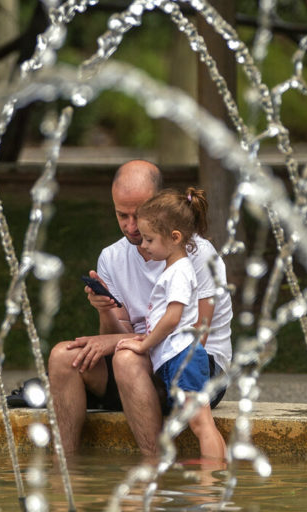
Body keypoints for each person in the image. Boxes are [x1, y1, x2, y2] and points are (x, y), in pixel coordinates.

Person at [47, 160, 232, 457]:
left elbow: (198, 336)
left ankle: (153, 467)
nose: (131, 227)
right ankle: (65, 469)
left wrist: (132, 343)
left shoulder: (195, 254)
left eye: (139, 215)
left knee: (125, 359)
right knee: (61, 358)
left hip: (194, 365)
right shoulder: (111, 258)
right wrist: (105, 310)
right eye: (122, 215)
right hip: (140, 365)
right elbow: (114, 335)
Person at [116, 187, 226, 459]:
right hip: (178, 358)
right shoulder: (174, 268)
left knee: (201, 423)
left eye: (150, 240)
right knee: (201, 422)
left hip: (184, 357)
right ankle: (214, 478)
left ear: (175, 238)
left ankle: (210, 487)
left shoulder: (179, 272)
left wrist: (145, 345)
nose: (143, 245)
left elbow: (173, 318)